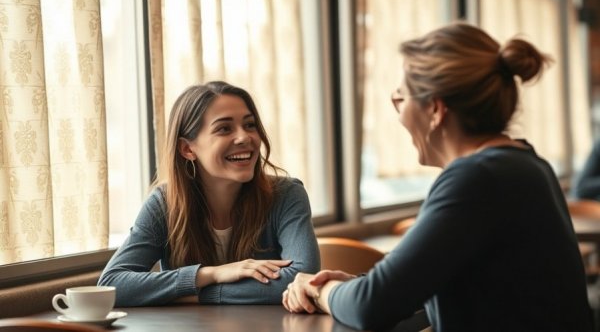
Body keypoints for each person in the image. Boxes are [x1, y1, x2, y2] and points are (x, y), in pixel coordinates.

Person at [282, 22, 593, 331]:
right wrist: (356, 286)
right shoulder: (525, 165)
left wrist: (320, 290)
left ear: (435, 110)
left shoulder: (476, 178)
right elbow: (441, 282)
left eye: (400, 99)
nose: (399, 112)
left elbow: (371, 306)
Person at [98, 81, 320, 306]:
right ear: (187, 149)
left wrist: (198, 294)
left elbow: (302, 279)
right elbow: (112, 284)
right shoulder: (164, 204)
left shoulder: (286, 195)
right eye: (224, 128)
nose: (245, 137)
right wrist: (211, 274)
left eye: (250, 125)